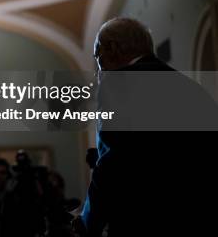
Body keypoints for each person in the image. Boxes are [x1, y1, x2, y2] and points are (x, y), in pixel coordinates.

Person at [77, 17, 218, 236]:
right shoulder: (190, 87)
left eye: (98, 56)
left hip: (143, 220)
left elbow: (113, 164)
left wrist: (88, 222)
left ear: (113, 49)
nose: (98, 69)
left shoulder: (115, 84)